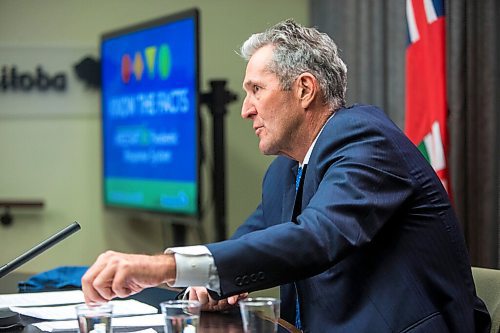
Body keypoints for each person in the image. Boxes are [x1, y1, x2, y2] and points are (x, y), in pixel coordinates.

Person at [82, 19, 491, 332]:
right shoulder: (286, 168)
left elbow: (316, 238)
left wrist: (162, 266)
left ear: (305, 89)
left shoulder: (367, 140)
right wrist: (209, 283)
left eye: (256, 90)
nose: (245, 109)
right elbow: (253, 240)